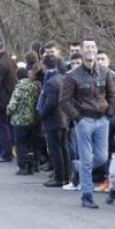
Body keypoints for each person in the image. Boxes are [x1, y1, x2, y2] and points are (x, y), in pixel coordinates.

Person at [60, 39, 115, 209]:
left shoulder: (105, 73)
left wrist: (109, 115)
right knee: (86, 158)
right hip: (84, 120)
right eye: (87, 47)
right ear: (82, 51)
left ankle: (77, 166)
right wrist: (78, 119)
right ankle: (87, 195)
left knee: (102, 157)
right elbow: (64, 100)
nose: (90, 50)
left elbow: (112, 96)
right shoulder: (72, 76)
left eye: (93, 47)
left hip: (102, 120)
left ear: (96, 50)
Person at [38, 54, 71, 187]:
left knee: (55, 150)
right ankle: (66, 176)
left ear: (44, 65)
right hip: (63, 118)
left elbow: (50, 103)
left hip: (54, 120)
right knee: (64, 149)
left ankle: (59, 177)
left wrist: (41, 114)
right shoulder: (62, 78)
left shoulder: (51, 82)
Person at [8, 67, 41, 175]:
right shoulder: (33, 87)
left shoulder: (19, 88)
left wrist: (8, 111)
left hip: (20, 120)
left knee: (20, 144)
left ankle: (23, 166)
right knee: (30, 144)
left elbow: (13, 104)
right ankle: (32, 165)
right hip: (32, 119)